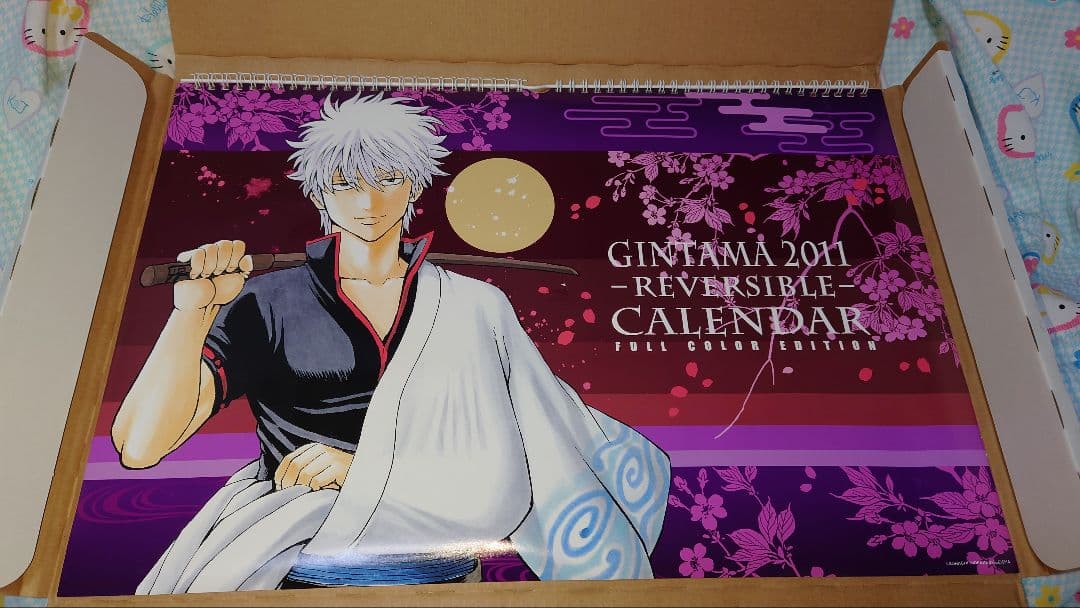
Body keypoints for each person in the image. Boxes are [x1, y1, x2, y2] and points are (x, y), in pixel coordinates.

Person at [113, 93, 670, 593]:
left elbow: (510, 465)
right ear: (319, 192)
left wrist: (359, 471)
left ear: (414, 185)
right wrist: (193, 312)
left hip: (446, 570)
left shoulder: (476, 305)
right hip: (303, 566)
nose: (368, 201)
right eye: (346, 183)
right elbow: (140, 448)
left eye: (387, 178)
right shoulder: (267, 300)